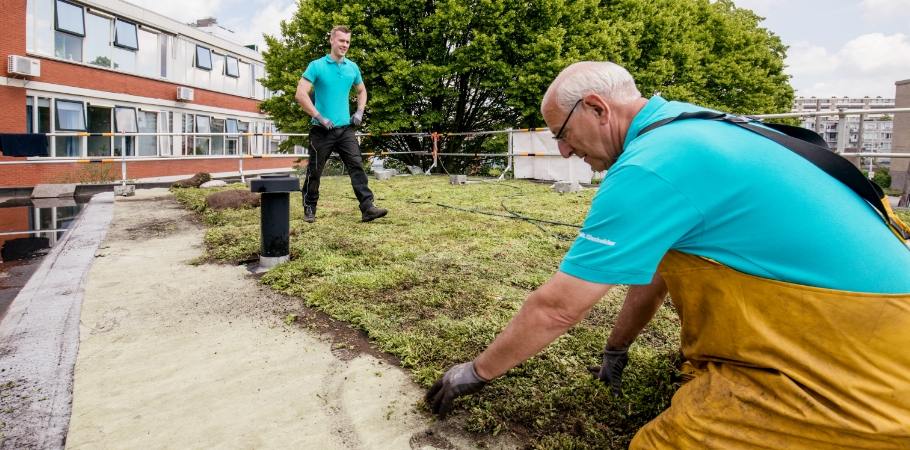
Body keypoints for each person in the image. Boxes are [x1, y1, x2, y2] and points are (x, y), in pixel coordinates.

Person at [424, 61, 910, 448]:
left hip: (864, 360)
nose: (565, 152)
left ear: (597, 108)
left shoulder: (651, 165)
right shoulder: (693, 127)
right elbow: (658, 271)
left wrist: (476, 371)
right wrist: (616, 348)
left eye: (562, 134)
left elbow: (558, 307)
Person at [295, 25, 387, 223]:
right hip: (321, 131)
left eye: (347, 42)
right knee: (315, 170)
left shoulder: (352, 68)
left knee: (357, 166)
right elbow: (300, 94)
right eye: (341, 41)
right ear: (331, 40)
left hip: (345, 129)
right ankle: (309, 208)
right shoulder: (317, 66)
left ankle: (367, 207)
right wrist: (319, 117)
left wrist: (360, 111)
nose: (344, 45)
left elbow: (362, 91)